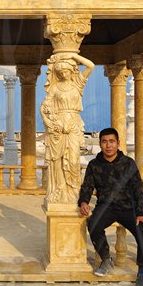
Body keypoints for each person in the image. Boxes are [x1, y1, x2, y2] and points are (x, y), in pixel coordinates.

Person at [78, 127, 143, 286]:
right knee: (93, 223)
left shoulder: (128, 163)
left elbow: (138, 189)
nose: (108, 146)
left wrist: (142, 213)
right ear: (100, 144)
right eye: (104, 142)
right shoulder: (94, 165)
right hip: (106, 207)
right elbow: (87, 187)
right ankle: (106, 259)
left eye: (112, 141)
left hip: (129, 208)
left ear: (118, 143)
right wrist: (83, 201)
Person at [39, 52, 94, 203]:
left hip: (74, 125)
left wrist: (72, 55)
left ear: (72, 71)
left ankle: (74, 192)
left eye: (66, 71)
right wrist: (48, 121)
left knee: (73, 161)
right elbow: (44, 106)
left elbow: (91, 66)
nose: (63, 74)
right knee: (57, 161)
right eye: (60, 72)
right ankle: (59, 191)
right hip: (58, 126)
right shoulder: (55, 88)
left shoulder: (78, 84)